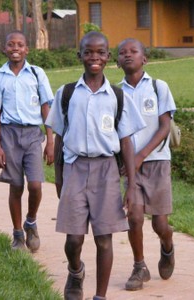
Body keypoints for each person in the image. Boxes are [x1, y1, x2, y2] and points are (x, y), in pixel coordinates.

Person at [45, 31, 146, 300]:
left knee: (104, 238)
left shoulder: (116, 96)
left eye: (101, 52)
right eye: (88, 52)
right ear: (79, 56)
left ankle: (100, 296)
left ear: (108, 57)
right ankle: (75, 271)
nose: (94, 57)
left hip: (106, 171)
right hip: (75, 168)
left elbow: (126, 142)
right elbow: (59, 137)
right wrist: (59, 177)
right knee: (73, 239)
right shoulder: (66, 93)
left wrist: (132, 187)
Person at [0, 30, 54, 252]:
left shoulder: (37, 74)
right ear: (4, 48)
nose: (15, 48)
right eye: (11, 45)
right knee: (16, 185)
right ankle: (18, 234)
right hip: (9, 135)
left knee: (35, 185)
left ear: (27, 49)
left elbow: (45, 107)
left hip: (32, 134)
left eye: (20, 45)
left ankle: (30, 221)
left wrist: (50, 140)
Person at [117, 38, 176, 291]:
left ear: (145, 59)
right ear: (117, 61)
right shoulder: (115, 92)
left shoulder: (158, 86)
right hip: (131, 168)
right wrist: (125, 160)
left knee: (159, 224)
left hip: (157, 163)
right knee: (135, 218)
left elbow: (165, 127)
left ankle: (167, 245)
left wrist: (141, 155)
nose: (128, 55)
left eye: (133, 52)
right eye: (122, 53)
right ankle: (139, 267)